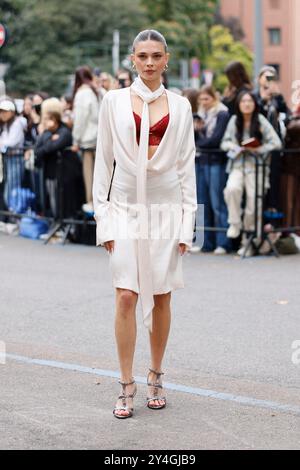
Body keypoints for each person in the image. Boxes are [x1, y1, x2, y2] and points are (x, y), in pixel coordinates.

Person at [92, 29, 197, 419]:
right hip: (122, 205)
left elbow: (187, 167)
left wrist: (188, 225)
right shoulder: (113, 101)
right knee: (125, 295)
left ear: (167, 58)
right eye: (142, 56)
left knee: (162, 295)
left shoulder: (182, 107)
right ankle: (125, 382)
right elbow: (103, 160)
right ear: (132, 60)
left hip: (166, 207)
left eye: (156, 55)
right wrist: (102, 220)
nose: (149, 63)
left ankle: (155, 373)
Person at [221, 91, 282, 256]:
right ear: (239, 104)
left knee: (253, 203)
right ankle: (234, 223)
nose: (246, 104)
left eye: (250, 101)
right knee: (231, 189)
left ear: (254, 104)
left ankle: (248, 240)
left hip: (257, 166)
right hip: (238, 165)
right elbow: (225, 142)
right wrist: (234, 147)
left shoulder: (261, 120)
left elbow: (276, 142)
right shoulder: (234, 120)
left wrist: (258, 149)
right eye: (243, 101)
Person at [194, 85, 231, 254]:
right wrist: (197, 131)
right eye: (201, 99)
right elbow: (192, 137)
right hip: (201, 161)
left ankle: (222, 242)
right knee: (202, 202)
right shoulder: (200, 115)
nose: (204, 102)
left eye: (206, 99)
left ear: (214, 98)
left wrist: (199, 144)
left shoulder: (222, 114)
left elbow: (216, 139)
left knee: (217, 203)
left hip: (216, 161)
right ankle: (205, 242)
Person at [254, 66, 290, 212]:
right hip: (257, 145)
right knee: (258, 184)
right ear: (259, 79)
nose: (268, 80)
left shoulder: (278, 97)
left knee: (273, 181)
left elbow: (287, 115)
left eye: (272, 77)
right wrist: (262, 100)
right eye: (266, 77)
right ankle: (259, 220)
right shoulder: (254, 96)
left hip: (274, 146)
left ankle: (272, 221)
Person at [35, 98, 73, 218]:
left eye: (47, 118)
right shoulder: (48, 132)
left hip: (62, 173)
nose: (44, 121)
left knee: (60, 202)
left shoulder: (64, 131)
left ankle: (60, 225)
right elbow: (38, 150)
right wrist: (47, 136)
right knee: (52, 200)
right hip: (51, 172)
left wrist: (47, 140)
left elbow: (48, 148)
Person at [72, 66, 100, 214]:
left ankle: (91, 203)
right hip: (98, 138)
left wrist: (76, 140)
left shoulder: (82, 93)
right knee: (100, 175)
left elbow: (80, 119)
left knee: (89, 176)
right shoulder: (95, 92)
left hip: (87, 141)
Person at [0, 98, 27, 209]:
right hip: (8, 160)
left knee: (12, 190)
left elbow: (11, 142)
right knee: (8, 189)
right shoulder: (5, 125)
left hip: (16, 160)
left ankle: (15, 217)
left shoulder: (17, 123)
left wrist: (2, 145)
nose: (2, 114)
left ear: (12, 112)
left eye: (4, 111)